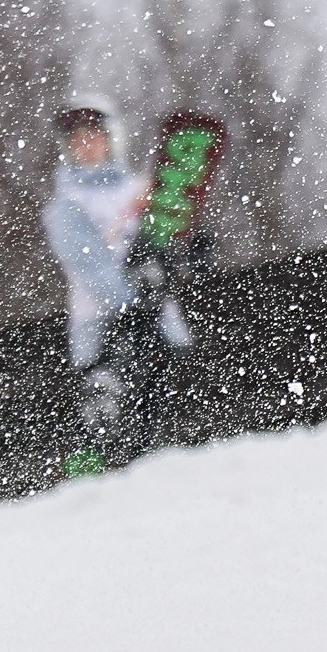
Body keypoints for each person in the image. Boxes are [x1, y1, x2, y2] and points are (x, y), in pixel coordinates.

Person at [41, 96, 193, 454]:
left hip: (159, 320)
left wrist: (188, 255)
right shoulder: (67, 206)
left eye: (93, 135)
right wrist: (132, 302)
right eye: (76, 139)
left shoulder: (143, 190)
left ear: (112, 138)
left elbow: (167, 240)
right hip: (104, 328)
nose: (86, 145)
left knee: (168, 414)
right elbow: (91, 265)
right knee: (113, 420)